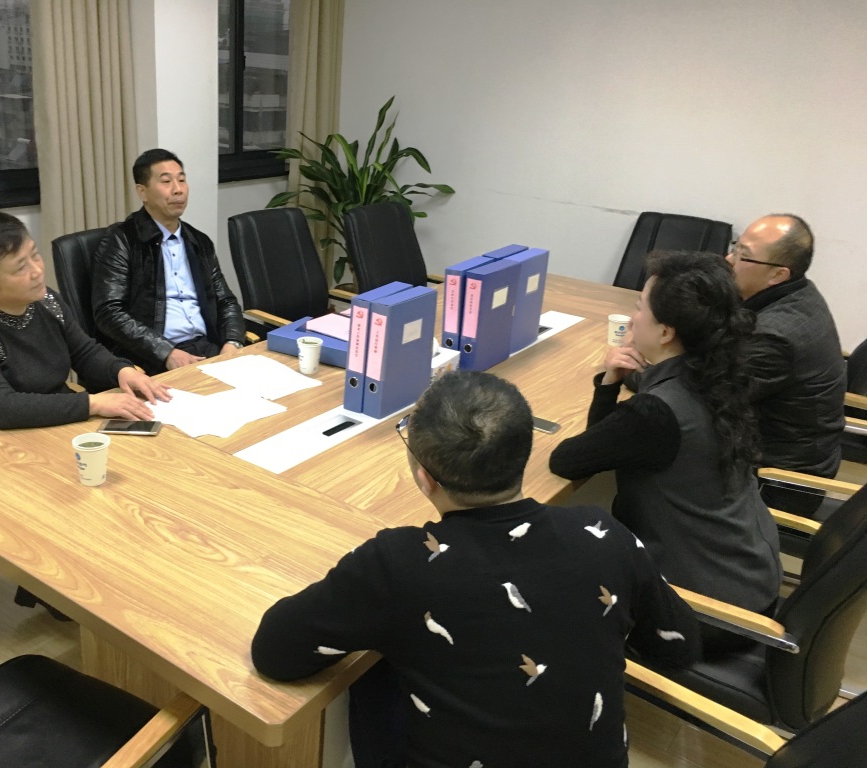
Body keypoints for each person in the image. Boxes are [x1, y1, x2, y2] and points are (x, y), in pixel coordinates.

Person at [252, 370, 700, 768]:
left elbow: (274, 652)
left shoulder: (396, 563)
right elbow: (680, 644)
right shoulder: (604, 533)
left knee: (378, 661)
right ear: (523, 454)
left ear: (425, 478)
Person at [550, 251, 781, 648]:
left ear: (665, 333)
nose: (632, 318)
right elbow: (608, 442)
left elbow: (569, 461)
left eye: (640, 307)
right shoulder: (716, 375)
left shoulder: (656, 413)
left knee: (546, 565)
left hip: (705, 612)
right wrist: (617, 379)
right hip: (748, 577)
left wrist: (608, 385)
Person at [0, 211, 168, 441]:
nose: (37, 271)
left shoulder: (46, 301)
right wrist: (93, 403)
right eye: (20, 268)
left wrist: (121, 371)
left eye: (35, 255)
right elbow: (1, 407)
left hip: (52, 424)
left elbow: (84, 353)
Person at [92, 148, 246, 374]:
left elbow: (226, 301)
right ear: (142, 192)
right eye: (166, 181)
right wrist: (166, 352)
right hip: (152, 357)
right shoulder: (123, 240)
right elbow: (109, 312)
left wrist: (232, 343)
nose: (178, 189)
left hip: (207, 349)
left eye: (181, 180)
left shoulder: (198, 241)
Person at [726, 214, 846, 496]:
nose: (728, 259)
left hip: (774, 481)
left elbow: (705, 393)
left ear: (778, 275)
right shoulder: (797, 293)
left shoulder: (777, 335)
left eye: (743, 255)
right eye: (735, 247)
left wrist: (640, 369)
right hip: (767, 451)